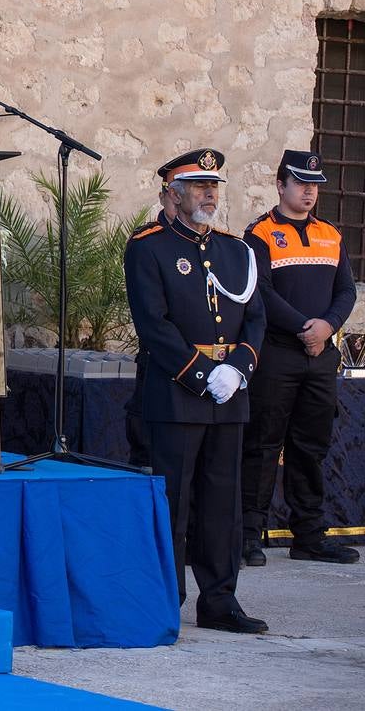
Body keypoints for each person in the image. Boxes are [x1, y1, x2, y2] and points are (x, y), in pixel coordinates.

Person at [124, 148, 268, 634]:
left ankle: (220, 600)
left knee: (222, 501)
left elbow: (255, 316)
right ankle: (168, 596)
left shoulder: (235, 250)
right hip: (178, 391)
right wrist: (204, 373)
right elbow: (153, 324)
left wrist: (240, 368)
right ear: (172, 194)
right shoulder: (148, 247)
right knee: (176, 500)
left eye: (215, 187)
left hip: (231, 393)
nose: (210, 194)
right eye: (199, 187)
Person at [240, 150, 360, 566]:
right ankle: (247, 537)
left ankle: (308, 535)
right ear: (280, 185)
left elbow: (347, 290)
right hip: (277, 355)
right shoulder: (258, 233)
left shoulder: (331, 234)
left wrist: (326, 327)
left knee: (311, 447)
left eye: (315, 185)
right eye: (301, 183)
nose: (310, 191)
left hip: (320, 358)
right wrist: (304, 329)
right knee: (262, 444)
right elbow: (261, 293)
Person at [123, 169, 178, 469]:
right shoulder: (147, 242)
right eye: (174, 195)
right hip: (158, 361)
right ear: (163, 196)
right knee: (147, 452)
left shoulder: (211, 244)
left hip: (196, 367)